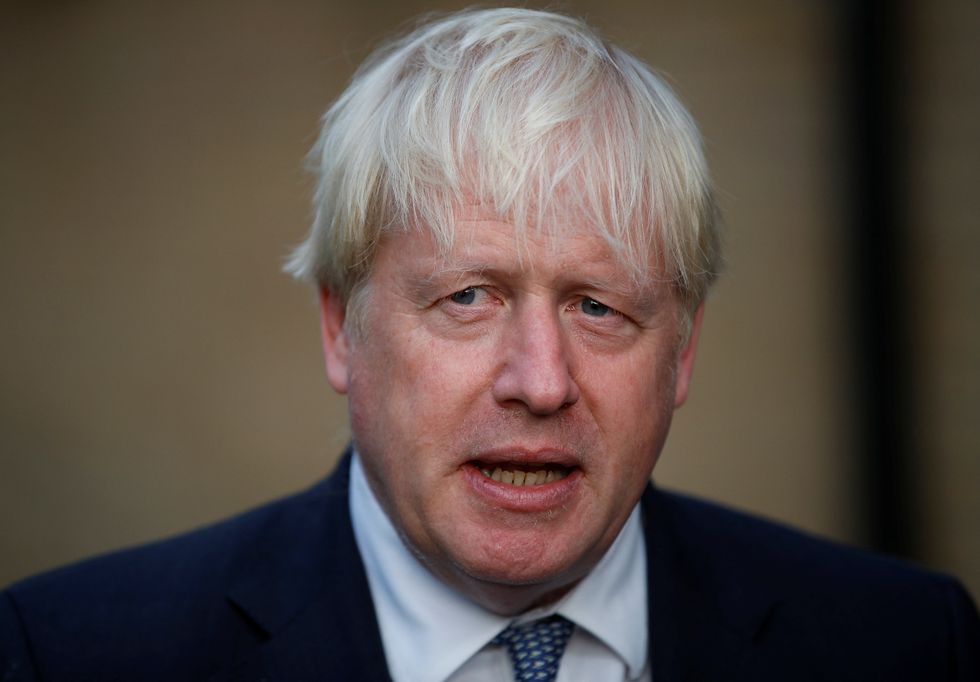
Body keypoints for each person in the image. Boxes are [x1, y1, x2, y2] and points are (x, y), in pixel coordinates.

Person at [1, 7, 977, 681]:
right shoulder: (76, 653)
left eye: (598, 307)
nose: (540, 381)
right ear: (340, 325)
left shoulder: (899, 643)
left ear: (680, 352)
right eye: (468, 296)